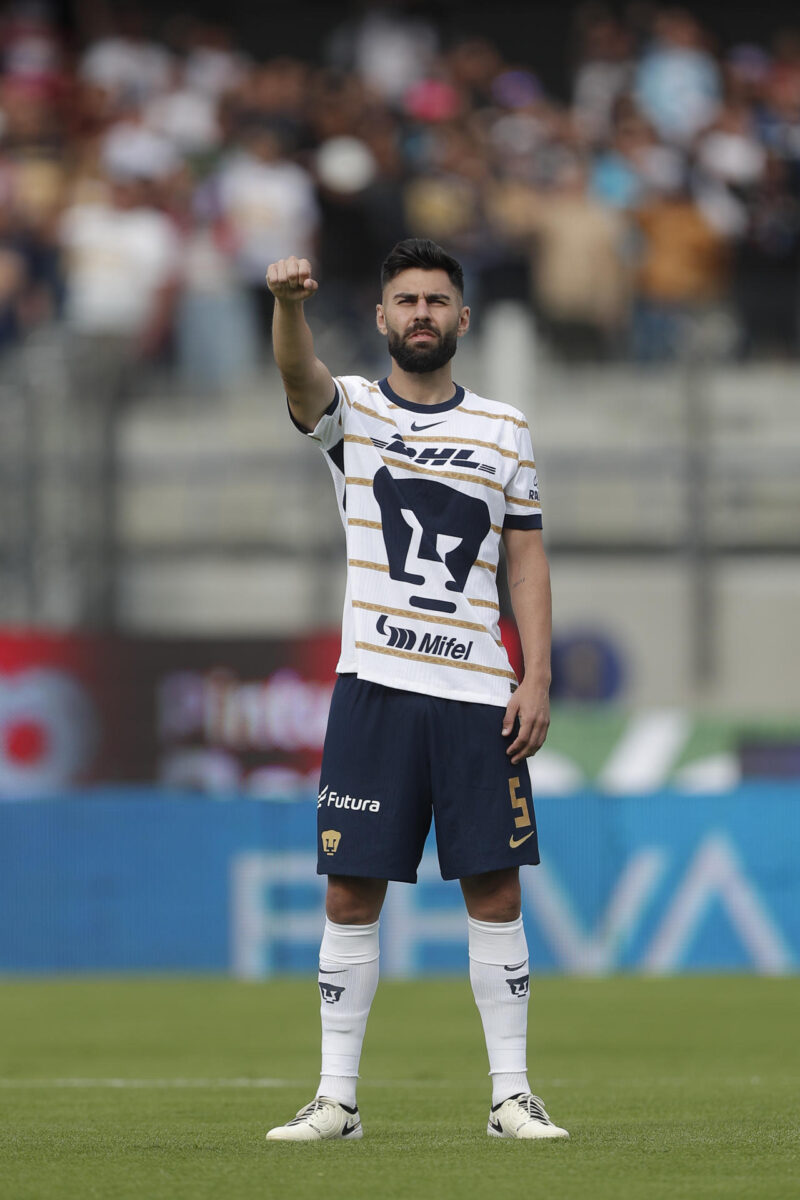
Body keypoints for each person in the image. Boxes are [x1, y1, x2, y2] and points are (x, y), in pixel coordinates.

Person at [264, 238, 567, 1143]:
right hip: (375, 686)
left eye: (438, 300)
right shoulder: (352, 412)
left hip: (479, 692)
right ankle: (337, 1099)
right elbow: (297, 375)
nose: (423, 314)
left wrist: (538, 674)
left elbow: (526, 556)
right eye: (407, 301)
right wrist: (287, 305)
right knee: (350, 894)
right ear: (384, 315)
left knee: (496, 892)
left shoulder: (505, 428)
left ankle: (511, 1096)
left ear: (462, 319)